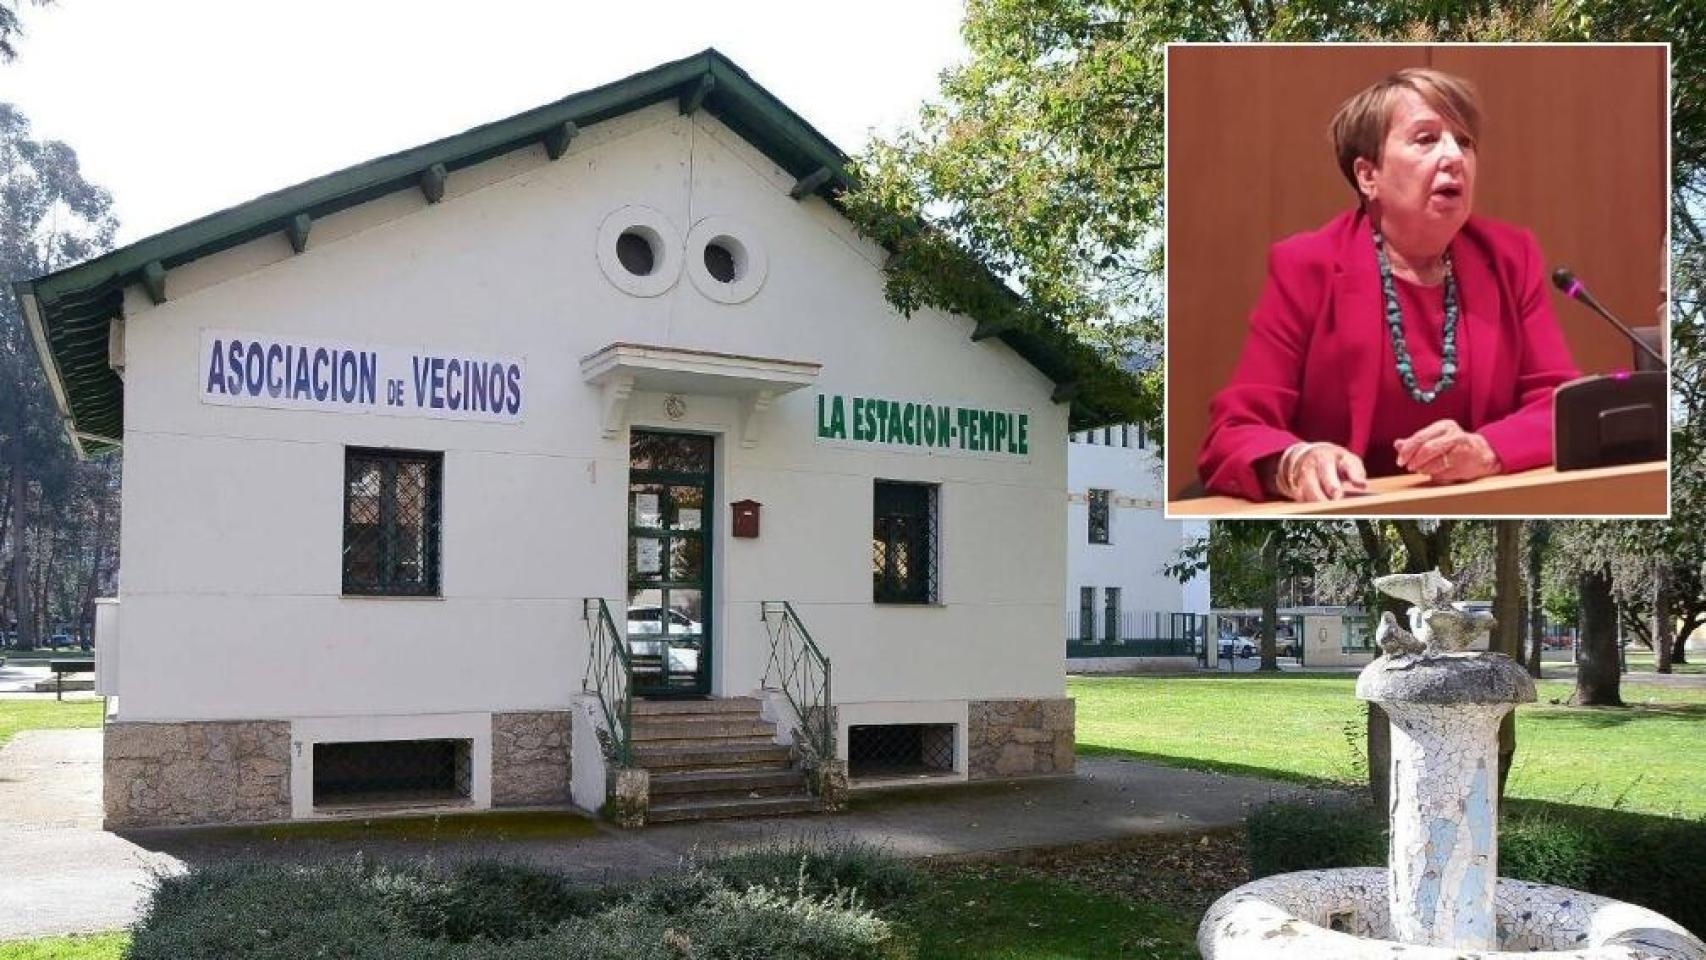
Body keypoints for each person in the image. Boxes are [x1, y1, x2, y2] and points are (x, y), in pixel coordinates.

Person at [1197, 68, 1580, 502]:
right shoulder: (1306, 266)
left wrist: (1488, 449)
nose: (1454, 156)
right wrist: (1295, 461)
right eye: (1426, 139)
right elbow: (1232, 432)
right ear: (1368, 176)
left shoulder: (1510, 257)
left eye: (1465, 141)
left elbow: (1565, 407)